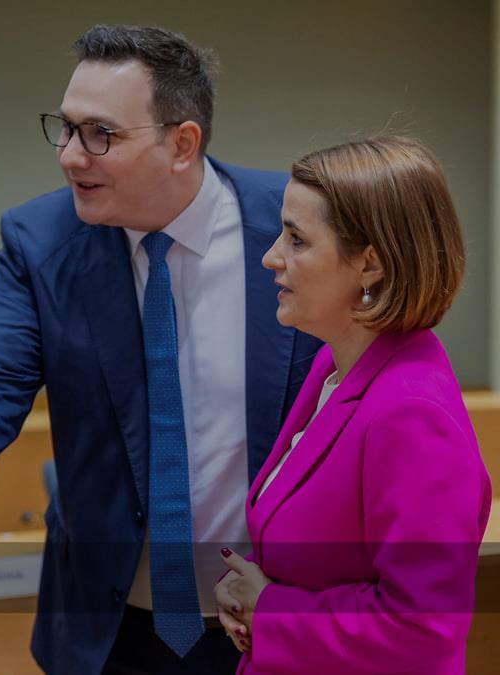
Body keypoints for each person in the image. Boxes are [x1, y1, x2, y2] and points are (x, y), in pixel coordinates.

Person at [0, 24, 324, 674]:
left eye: (100, 134)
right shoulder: (40, 239)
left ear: (182, 144)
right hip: (106, 630)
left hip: (275, 620)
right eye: (66, 128)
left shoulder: (293, 227)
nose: (69, 156)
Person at [214, 136, 491, 674]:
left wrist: (268, 607)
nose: (271, 256)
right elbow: (329, 550)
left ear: (371, 264)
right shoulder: (334, 365)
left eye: (297, 240)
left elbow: (423, 628)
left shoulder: (411, 413)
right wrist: (250, 582)